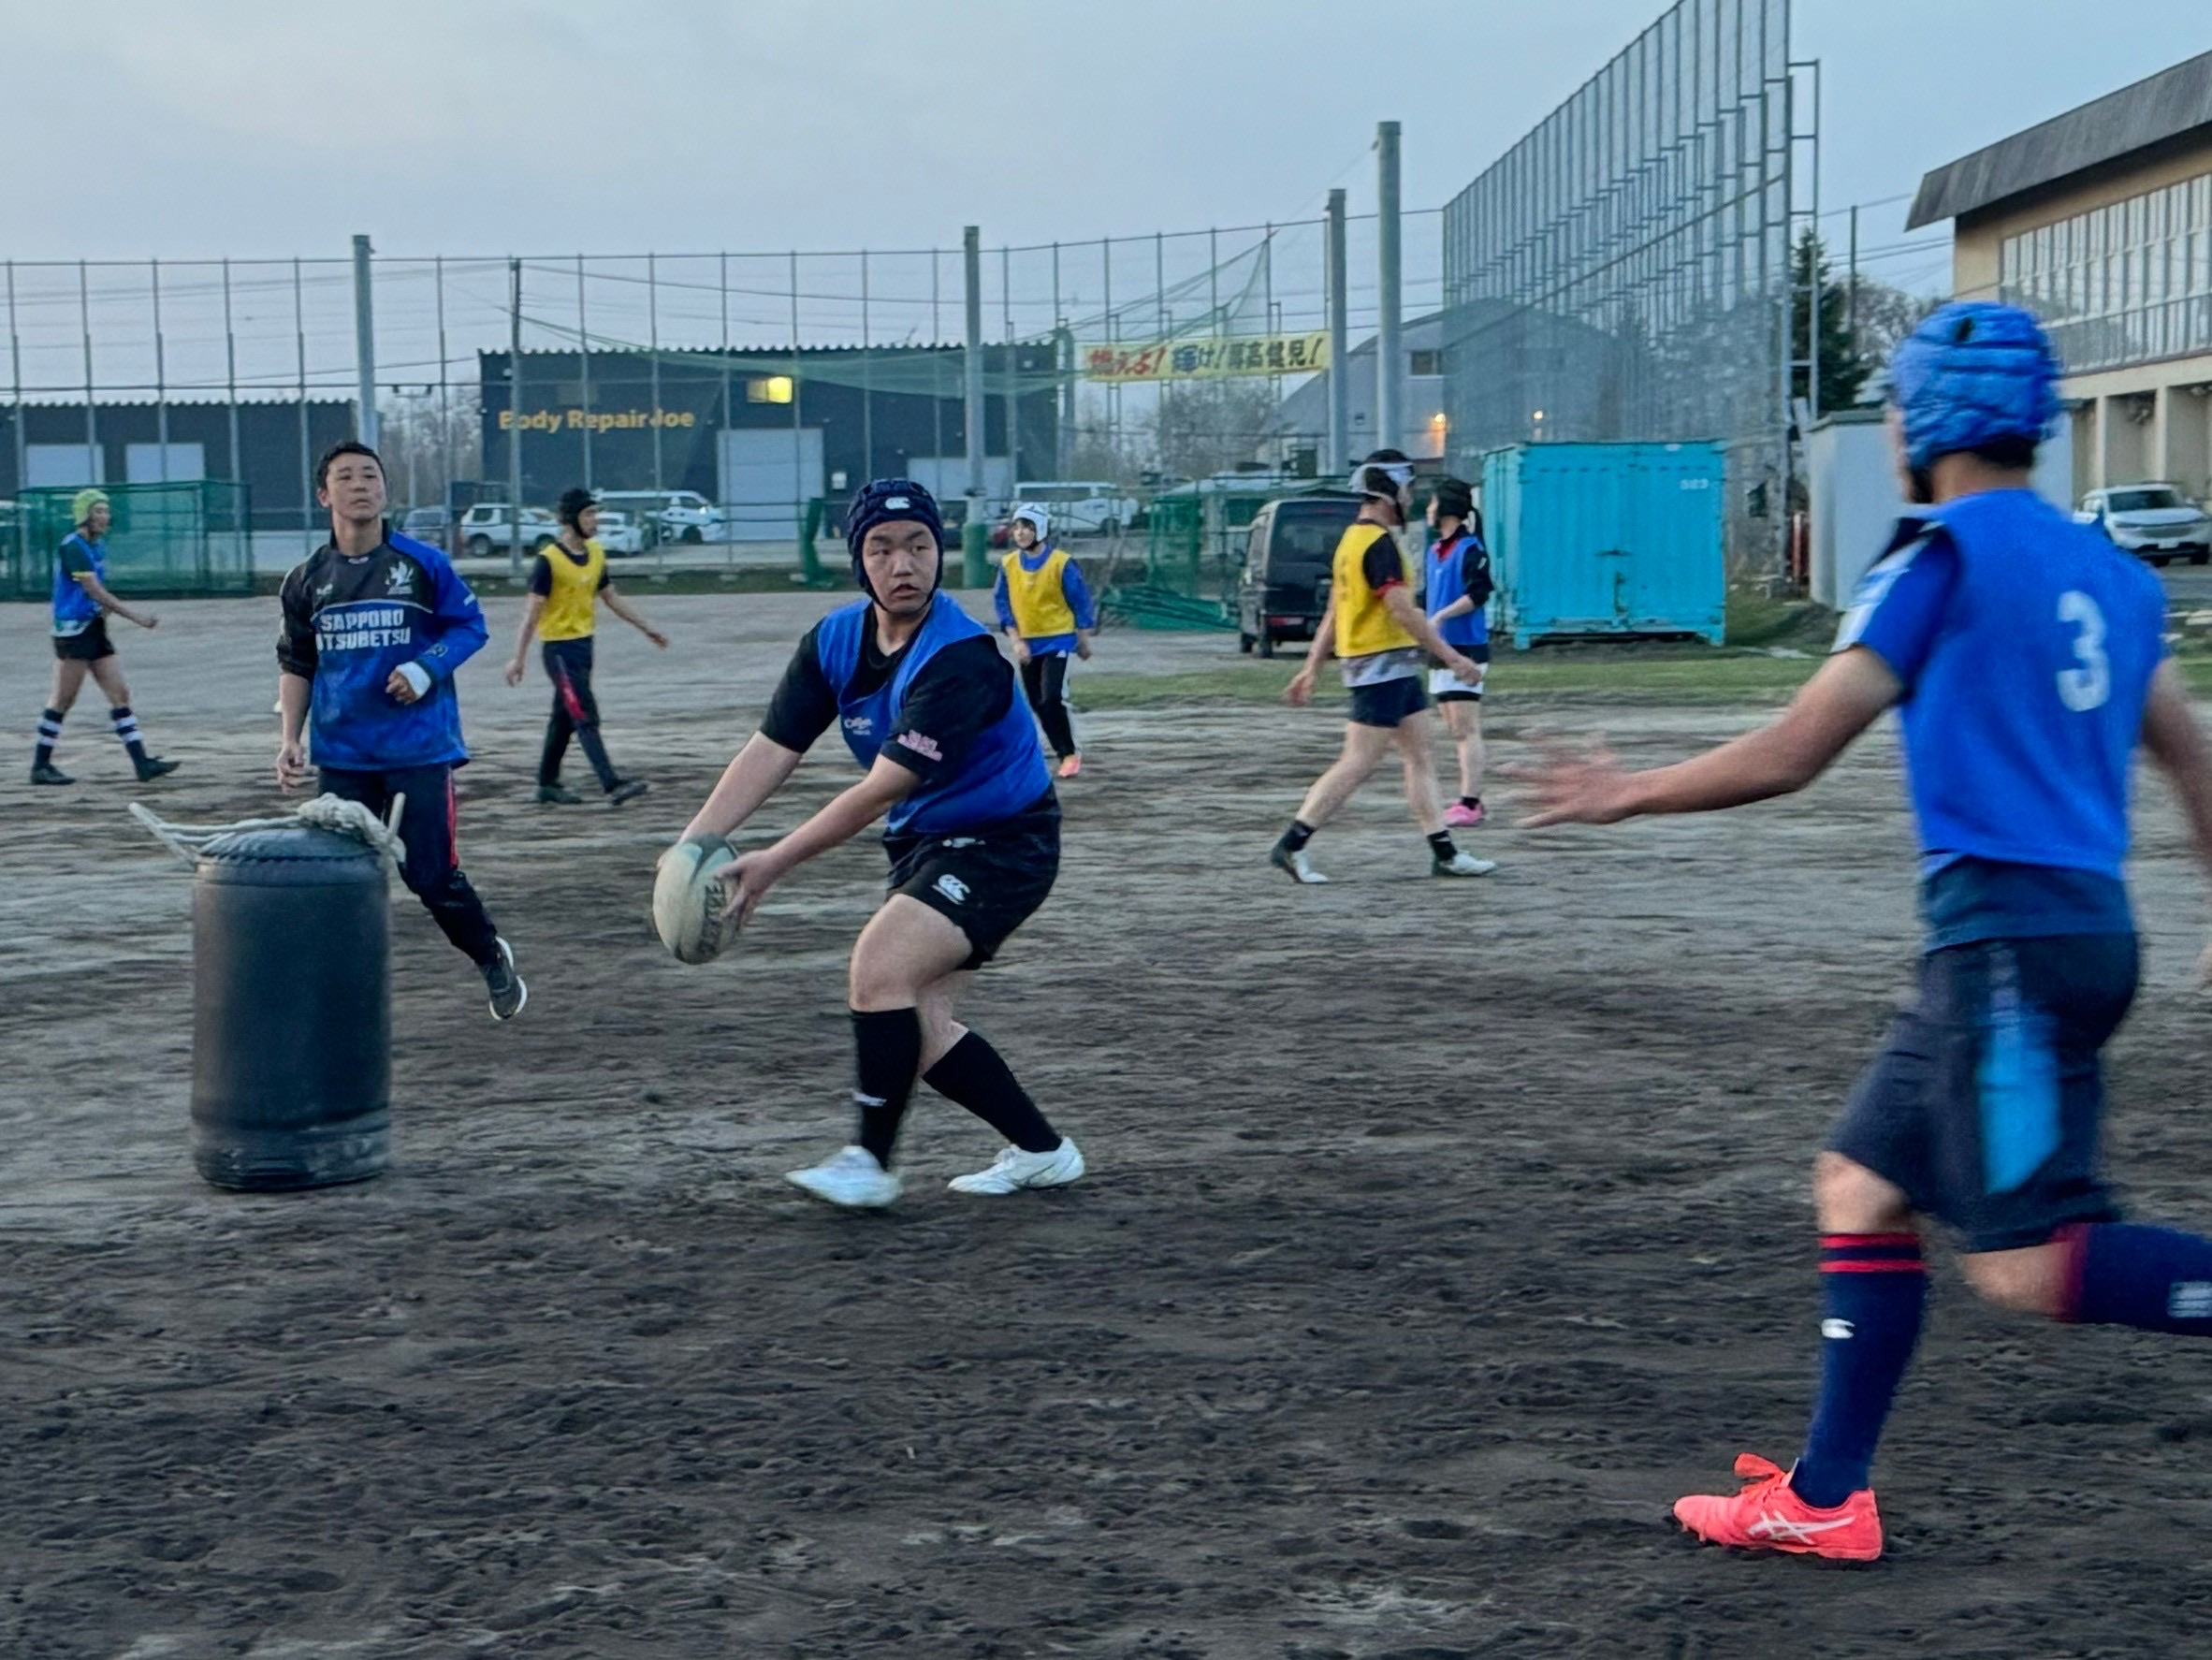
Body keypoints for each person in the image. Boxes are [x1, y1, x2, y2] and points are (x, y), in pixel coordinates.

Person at [1525, 301, 2212, 1562]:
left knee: (2026, 1262)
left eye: (1897, 408)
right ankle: (1826, 1497)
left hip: (2007, 953)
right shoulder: (2113, 574)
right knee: (1859, 1183)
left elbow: (1798, 748)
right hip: (2044, 942)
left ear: (1927, 421)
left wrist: (1627, 793)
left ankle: (1830, 1493)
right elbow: (2188, 753)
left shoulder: (1935, 561)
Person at [673, 478, 1084, 1208]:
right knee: (918, 1025)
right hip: (926, 841)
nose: (904, 564)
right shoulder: (834, 641)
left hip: (1005, 841)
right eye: (883, 549)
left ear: (939, 553)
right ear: (858, 562)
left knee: (878, 968)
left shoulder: (960, 657)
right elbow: (772, 748)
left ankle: (869, 1160)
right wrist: (696, 841)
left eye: (920, 546)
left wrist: (773, 863)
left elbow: (882, 788)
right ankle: (1042, 1151)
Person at [276, 441, 525, 1022]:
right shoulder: (305, 580)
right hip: (343, 757)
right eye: (345, 477)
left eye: (371, 475)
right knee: (337, 879)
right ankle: (339, 1000)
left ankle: (490, 955)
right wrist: (290, 738)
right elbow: (297, 662)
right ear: (323, 495)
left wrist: (424, 668)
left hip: (419, 751)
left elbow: (470, 626)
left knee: (430, 878)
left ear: (385, 491)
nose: (360, 485)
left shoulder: (422, 564)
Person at [1270, 450, 1496, 884]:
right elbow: (1402, 610)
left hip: (1394, 667)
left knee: (1420, 756)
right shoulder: (1378, 544)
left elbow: (1336, 610)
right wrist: (1453, 658)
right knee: (1358, 761)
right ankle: (1292, 845)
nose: (1411, 497)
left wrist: (1312, 667)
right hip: (1380, 668)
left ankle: (1445, 853)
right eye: (1407, 488)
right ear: (1389, 490)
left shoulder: (1352, 540)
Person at [502, 487, 666, 806]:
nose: (595, 520)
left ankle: (547, 784)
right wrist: (517, 658)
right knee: (583, 713)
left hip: (583, 647)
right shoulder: (549, 560)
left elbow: (610, 596)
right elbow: (532, 612)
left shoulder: (597, 554)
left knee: (564, 716)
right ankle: (611, 784)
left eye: (595, 514)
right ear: (570, 519)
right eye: (588, 514)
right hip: (558, 651)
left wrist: (646, 627)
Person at [30, 488, 180, 786]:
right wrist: (136, 617)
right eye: (98, 511)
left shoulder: (96, 546)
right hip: (73, 633)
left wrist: (101, 612)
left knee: (119, 694)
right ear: (84, 515)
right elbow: (94, 590)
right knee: (63, 699)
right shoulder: (73, 547)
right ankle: (40, 766)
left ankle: (142, 763)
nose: (104, 517)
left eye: (105, 511)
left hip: (93, 628)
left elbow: (93, 595)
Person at [992, 502, 1098, 779]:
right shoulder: (1008, 565)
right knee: (1037, 702)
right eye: (1016, 527)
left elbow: (1080, 601)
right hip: (1028, 642)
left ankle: (1069, 753)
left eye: (1027, 526)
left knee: (1052, 698)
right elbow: (1003, 605)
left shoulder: (1061, 563)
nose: (1020, 532)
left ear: (1040, 529)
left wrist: (1082, 639)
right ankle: (1060, 750)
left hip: (1058, 640)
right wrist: (1016, 640)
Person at [1423, 478, 1492, 827]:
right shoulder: (1434, 550)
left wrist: (1441, 616)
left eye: (1432, 503)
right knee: (1454, 728)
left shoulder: (1471, 549)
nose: (1428, 510)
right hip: (1439, 650)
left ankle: (1470, 802)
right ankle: (1470, 798)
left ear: (1447, 508)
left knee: (1466, 728)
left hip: (1466, 648)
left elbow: (1479, 594)